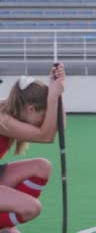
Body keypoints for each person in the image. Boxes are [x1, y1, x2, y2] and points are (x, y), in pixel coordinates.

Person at [0, 64, 66, 233]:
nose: (44, 121)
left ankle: (4, 225)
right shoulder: (3, 119)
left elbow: (59, 127)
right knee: (31, 208)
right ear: (30, 108)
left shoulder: (14, 112)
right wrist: (51, 98)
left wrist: (57, 92)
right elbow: (46, 136)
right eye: (43, 115)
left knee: (42, 166)